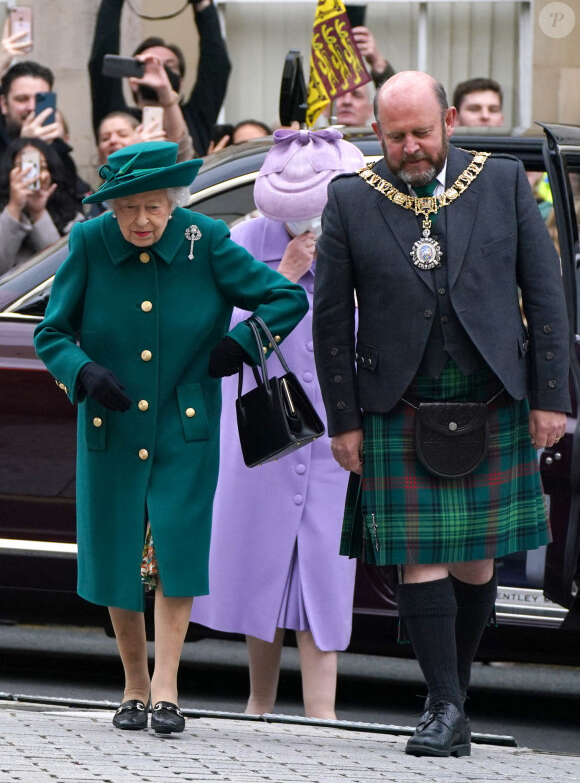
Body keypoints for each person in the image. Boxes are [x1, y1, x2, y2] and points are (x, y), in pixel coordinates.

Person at [312, 71, 570, 757]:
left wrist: (552, 397)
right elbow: (331, 323)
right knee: (420, 558)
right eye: (395, 137)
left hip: (491, 398)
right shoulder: (350, 199)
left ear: (449, 120)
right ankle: (446, 706)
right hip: (398, 401)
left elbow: (546, 299)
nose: (411, 148)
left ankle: (450, 696)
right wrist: (344, 421)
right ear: (377, 134)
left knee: (478, 562)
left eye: (422, 132)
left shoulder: (503, 181)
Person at [33, 141, 308, 734]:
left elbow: (285, 296)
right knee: (120, 554)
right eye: (127, 207)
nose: (140, 221)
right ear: (110, 208)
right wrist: (81, 370)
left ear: (173, 202)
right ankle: (133, 685)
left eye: (153, 207)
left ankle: (167, 690)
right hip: (111, 422)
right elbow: (51, 332)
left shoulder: (204, 239)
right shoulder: (88, 243)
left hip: (185, 427)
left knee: (174, 553)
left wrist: (245, 341)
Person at [191, 128, 363, 719]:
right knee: (260, 566)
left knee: (324, 574)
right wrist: (284, 277)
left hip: (336, 437)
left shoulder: (361, 237)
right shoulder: (243, 239)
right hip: (263, 431)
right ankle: (257, 703)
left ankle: (324, 713)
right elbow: (220, 342)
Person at [89, 0, 230, 157]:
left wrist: (203, 4)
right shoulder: (117, 120)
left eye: (168, 66)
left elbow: (216, 68)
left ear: (181, 81)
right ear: (132, 81)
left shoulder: (196, 117)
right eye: (149, 65)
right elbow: (101, 65)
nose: (159, 71)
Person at [0, 61, 92, 206]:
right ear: (4, 105)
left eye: (39, 100)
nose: (31, 107)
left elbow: (71, 202)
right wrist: (24, 146)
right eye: (22, 99)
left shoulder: (57, 147)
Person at [0, 137, 84, 276]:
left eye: (41, 167)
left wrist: (38, 213)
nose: (33, 175)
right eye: (22, 167)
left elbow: (67, 266)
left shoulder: (72, 215)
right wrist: (14, 208)